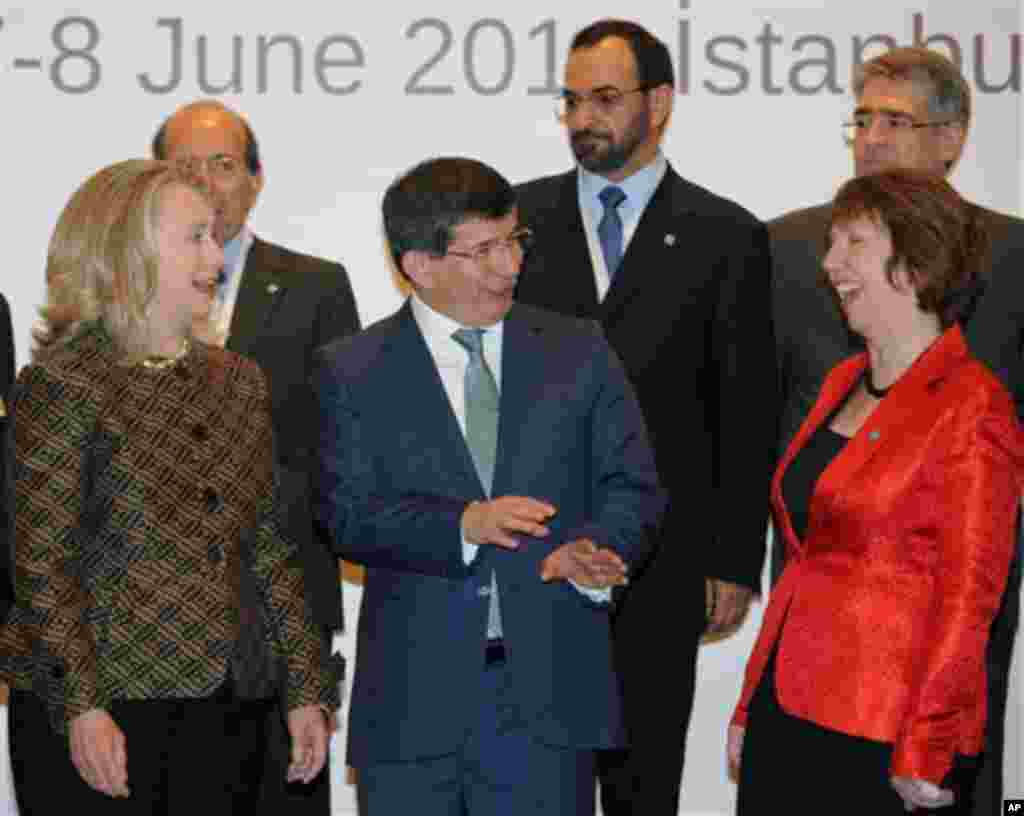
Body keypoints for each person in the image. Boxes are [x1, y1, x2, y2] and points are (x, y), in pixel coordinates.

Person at [314, 156, 664, 815]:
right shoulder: (354, 369)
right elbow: (346, 516)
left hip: (548, 698)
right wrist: (462, 526)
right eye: (483, 251)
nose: (509, 266)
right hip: (414, 705)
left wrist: (598, 552)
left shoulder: (579, 350)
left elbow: (634, 486)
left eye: (514, 242)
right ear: (419, 264)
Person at [0, 159, 341, 815]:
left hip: (236, 705)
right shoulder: (62, 385)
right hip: (107, 716)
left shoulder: (239, 379)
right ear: (126, 251)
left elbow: (269, 544)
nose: (217, 254)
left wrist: (305, 687)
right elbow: (42, 564)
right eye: (196, 237)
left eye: (216, 236)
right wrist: (82, 706)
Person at [514, 19, 776, 814]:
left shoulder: (726, 235)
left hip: (664, 564)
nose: (582, 119)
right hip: (538, 556)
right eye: (570, 101)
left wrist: (734, 558)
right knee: (533, 785)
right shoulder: (514, 223)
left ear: (659, 102)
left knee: (644, 783)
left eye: (604, 98)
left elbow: (745, 405)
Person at [769, 47, 1024, 814]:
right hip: (815, 587)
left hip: (954, 577)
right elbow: (754, 408)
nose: (872, 137)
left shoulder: (1017, 255)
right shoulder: (788, 247)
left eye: (896, 121)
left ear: (952, 138)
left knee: (940, 776)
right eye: (863, 120)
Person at [152, 99, 360, 812]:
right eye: (186, 167)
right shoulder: (122, 300)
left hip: (281, 609)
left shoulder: (315, 286)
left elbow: (341, 446)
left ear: (256, 179)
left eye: (223, 165)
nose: (206, 182)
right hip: (157, 615)